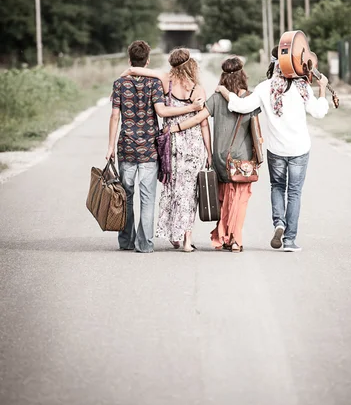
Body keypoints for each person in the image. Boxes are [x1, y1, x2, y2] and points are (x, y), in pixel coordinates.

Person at [217, 46, 329, 252]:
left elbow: (241, 107)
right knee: (294, 193)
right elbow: (319, 112)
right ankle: (289, 240)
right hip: (299, 149)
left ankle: (279, 223)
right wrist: (322, 88)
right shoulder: (302, 87)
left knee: (277, 187)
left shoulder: (265, 87)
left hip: (276, 150)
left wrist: (225, 91)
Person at [106, 41, 203, 253]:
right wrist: (191, 108)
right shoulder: (154, 84)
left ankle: (126, 241)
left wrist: (110, 147)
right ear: (147, 61)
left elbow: (115, 116)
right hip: (149, 148)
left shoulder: (119, 84)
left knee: (126, 195)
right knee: (147, 197)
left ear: (130, 59)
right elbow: (161, 110)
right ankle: (145, 244)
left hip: (126, 147)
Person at [168, 57, 260, 252]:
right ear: (242, 75)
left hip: (220, 158)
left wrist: (175, 127)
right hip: (242, 160)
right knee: (240, 199)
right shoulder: (250, 98)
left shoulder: (216, 99)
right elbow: (256, 129)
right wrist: (257, 154)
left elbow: (198, 118)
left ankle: (224, 236)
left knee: (225, 198)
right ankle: (235, 240)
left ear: (223, 77)